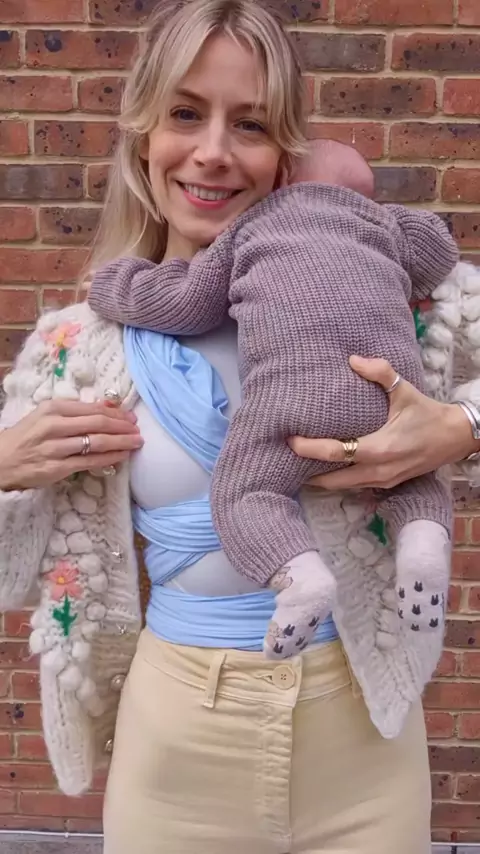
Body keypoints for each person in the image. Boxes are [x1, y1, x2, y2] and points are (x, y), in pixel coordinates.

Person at [0, 1, 480, 851]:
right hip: (174, 754)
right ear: (143, 134)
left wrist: (463, 425)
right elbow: (10, 578)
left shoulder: (404, 304)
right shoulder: (77, 347)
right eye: (186, 114)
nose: (214, 152)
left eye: (250, 124)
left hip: (365, 751)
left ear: (285, 152)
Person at [89, 139, 458, 658]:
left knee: (245, 494)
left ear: (279, 181)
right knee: (414, 474)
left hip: (293, 405)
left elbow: (184, 304)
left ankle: (299, 574)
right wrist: (392, 222)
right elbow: (438, 252)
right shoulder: (383, 226)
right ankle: (422, 539)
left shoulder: (250, 227)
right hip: (389, 398)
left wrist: (113, 283)